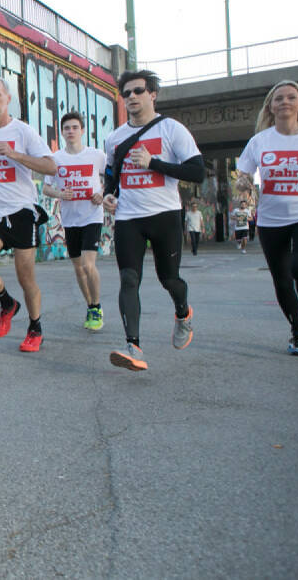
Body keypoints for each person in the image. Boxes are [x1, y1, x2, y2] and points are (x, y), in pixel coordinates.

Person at [102, 70, 203, 371]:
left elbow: (197, 172)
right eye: (126, 93)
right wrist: (109, 193)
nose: (132, 97)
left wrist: (153, 163)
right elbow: (111, 173)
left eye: (138, 91)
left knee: (168, 279)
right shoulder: (115, 138)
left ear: (152, 94)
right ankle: (133, 346)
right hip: (129, 217)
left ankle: (183, 314)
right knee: (129, 279)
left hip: (165, 216)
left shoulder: (172, 129)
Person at [236, 80, 298, 356]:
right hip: (271, 219)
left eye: (291, 97)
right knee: (282, 280)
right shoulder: (260, 141)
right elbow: (243, 175)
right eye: (278, 99)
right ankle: (296, 332)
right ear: (270, 107)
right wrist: (243, 184)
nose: (284, 102)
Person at [0, 76, 56, 352]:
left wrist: (16, 155)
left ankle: (35, 326)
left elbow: (51, 167)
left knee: (25, 276)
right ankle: (8, 303)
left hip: (22, 211)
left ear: (7, 99)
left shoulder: (23, 132)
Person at [42, 111, 106, 331]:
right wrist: (59, 193)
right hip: (70, 220)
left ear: (82, 130)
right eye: (67, 128)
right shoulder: (56, 159)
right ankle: (90, 306)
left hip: (92, 216)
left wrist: (103, 193)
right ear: (62, 132)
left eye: (75, 127)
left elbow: (112, 178)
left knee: (89, 265)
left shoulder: (96, 155)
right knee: (78, 268)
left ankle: (96, 307)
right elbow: (46, 187)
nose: (71, 131)